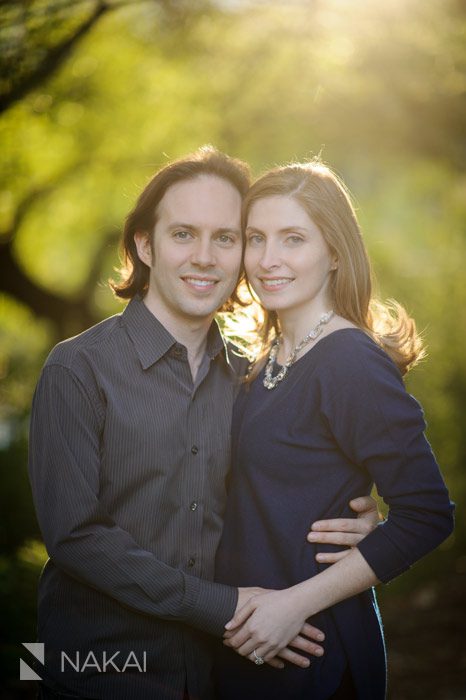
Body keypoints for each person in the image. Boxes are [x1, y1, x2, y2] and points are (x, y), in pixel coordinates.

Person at [28, 147, 378, 700]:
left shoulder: (254, 381)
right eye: (183, 234)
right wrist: (224, 607)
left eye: (226, 237)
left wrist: (357, 527)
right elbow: (74, 537)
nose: (205, 258)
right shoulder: (77, 368)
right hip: (95, 670)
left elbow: (282, 490)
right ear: (145, 245)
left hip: (227, 672)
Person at [214, 160, 455, 700]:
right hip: (246, 645)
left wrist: (292, 604)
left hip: (310, 653)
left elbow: (426, 515)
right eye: (257, 238)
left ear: (336, 254)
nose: (268, 260)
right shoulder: (264, 358)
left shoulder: (349, 361)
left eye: (293, 239)